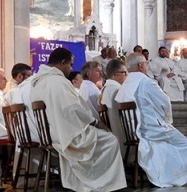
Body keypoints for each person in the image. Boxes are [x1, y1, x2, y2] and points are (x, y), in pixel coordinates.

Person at [30, 47, 126, 191]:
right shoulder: (57, 82)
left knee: (104, 137)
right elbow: (73, 109)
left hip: (51, 133)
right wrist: (95, 122)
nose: (71, 69)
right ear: (63, 63)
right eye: (70, 65)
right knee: (111, 140)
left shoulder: (38, 82)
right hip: (67, 135)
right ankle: (103, 184)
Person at [115, 53, 187, 187]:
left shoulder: (125, 85)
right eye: (146, 63)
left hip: (133, 131)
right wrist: (165, 120)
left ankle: (167, 174)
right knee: (185, 144)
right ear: (140, 66)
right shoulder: (146, 82)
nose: (147, 66)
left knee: (165, 145)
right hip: (150, 129)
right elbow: (165, 102)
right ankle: (179, 177)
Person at [100, 59, 127, 157]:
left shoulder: (105, 89)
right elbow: (128, 117)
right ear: (116, 75)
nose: (126, 76)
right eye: (124, 73)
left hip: (112, 133)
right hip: (122, 136)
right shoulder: (117, 90)